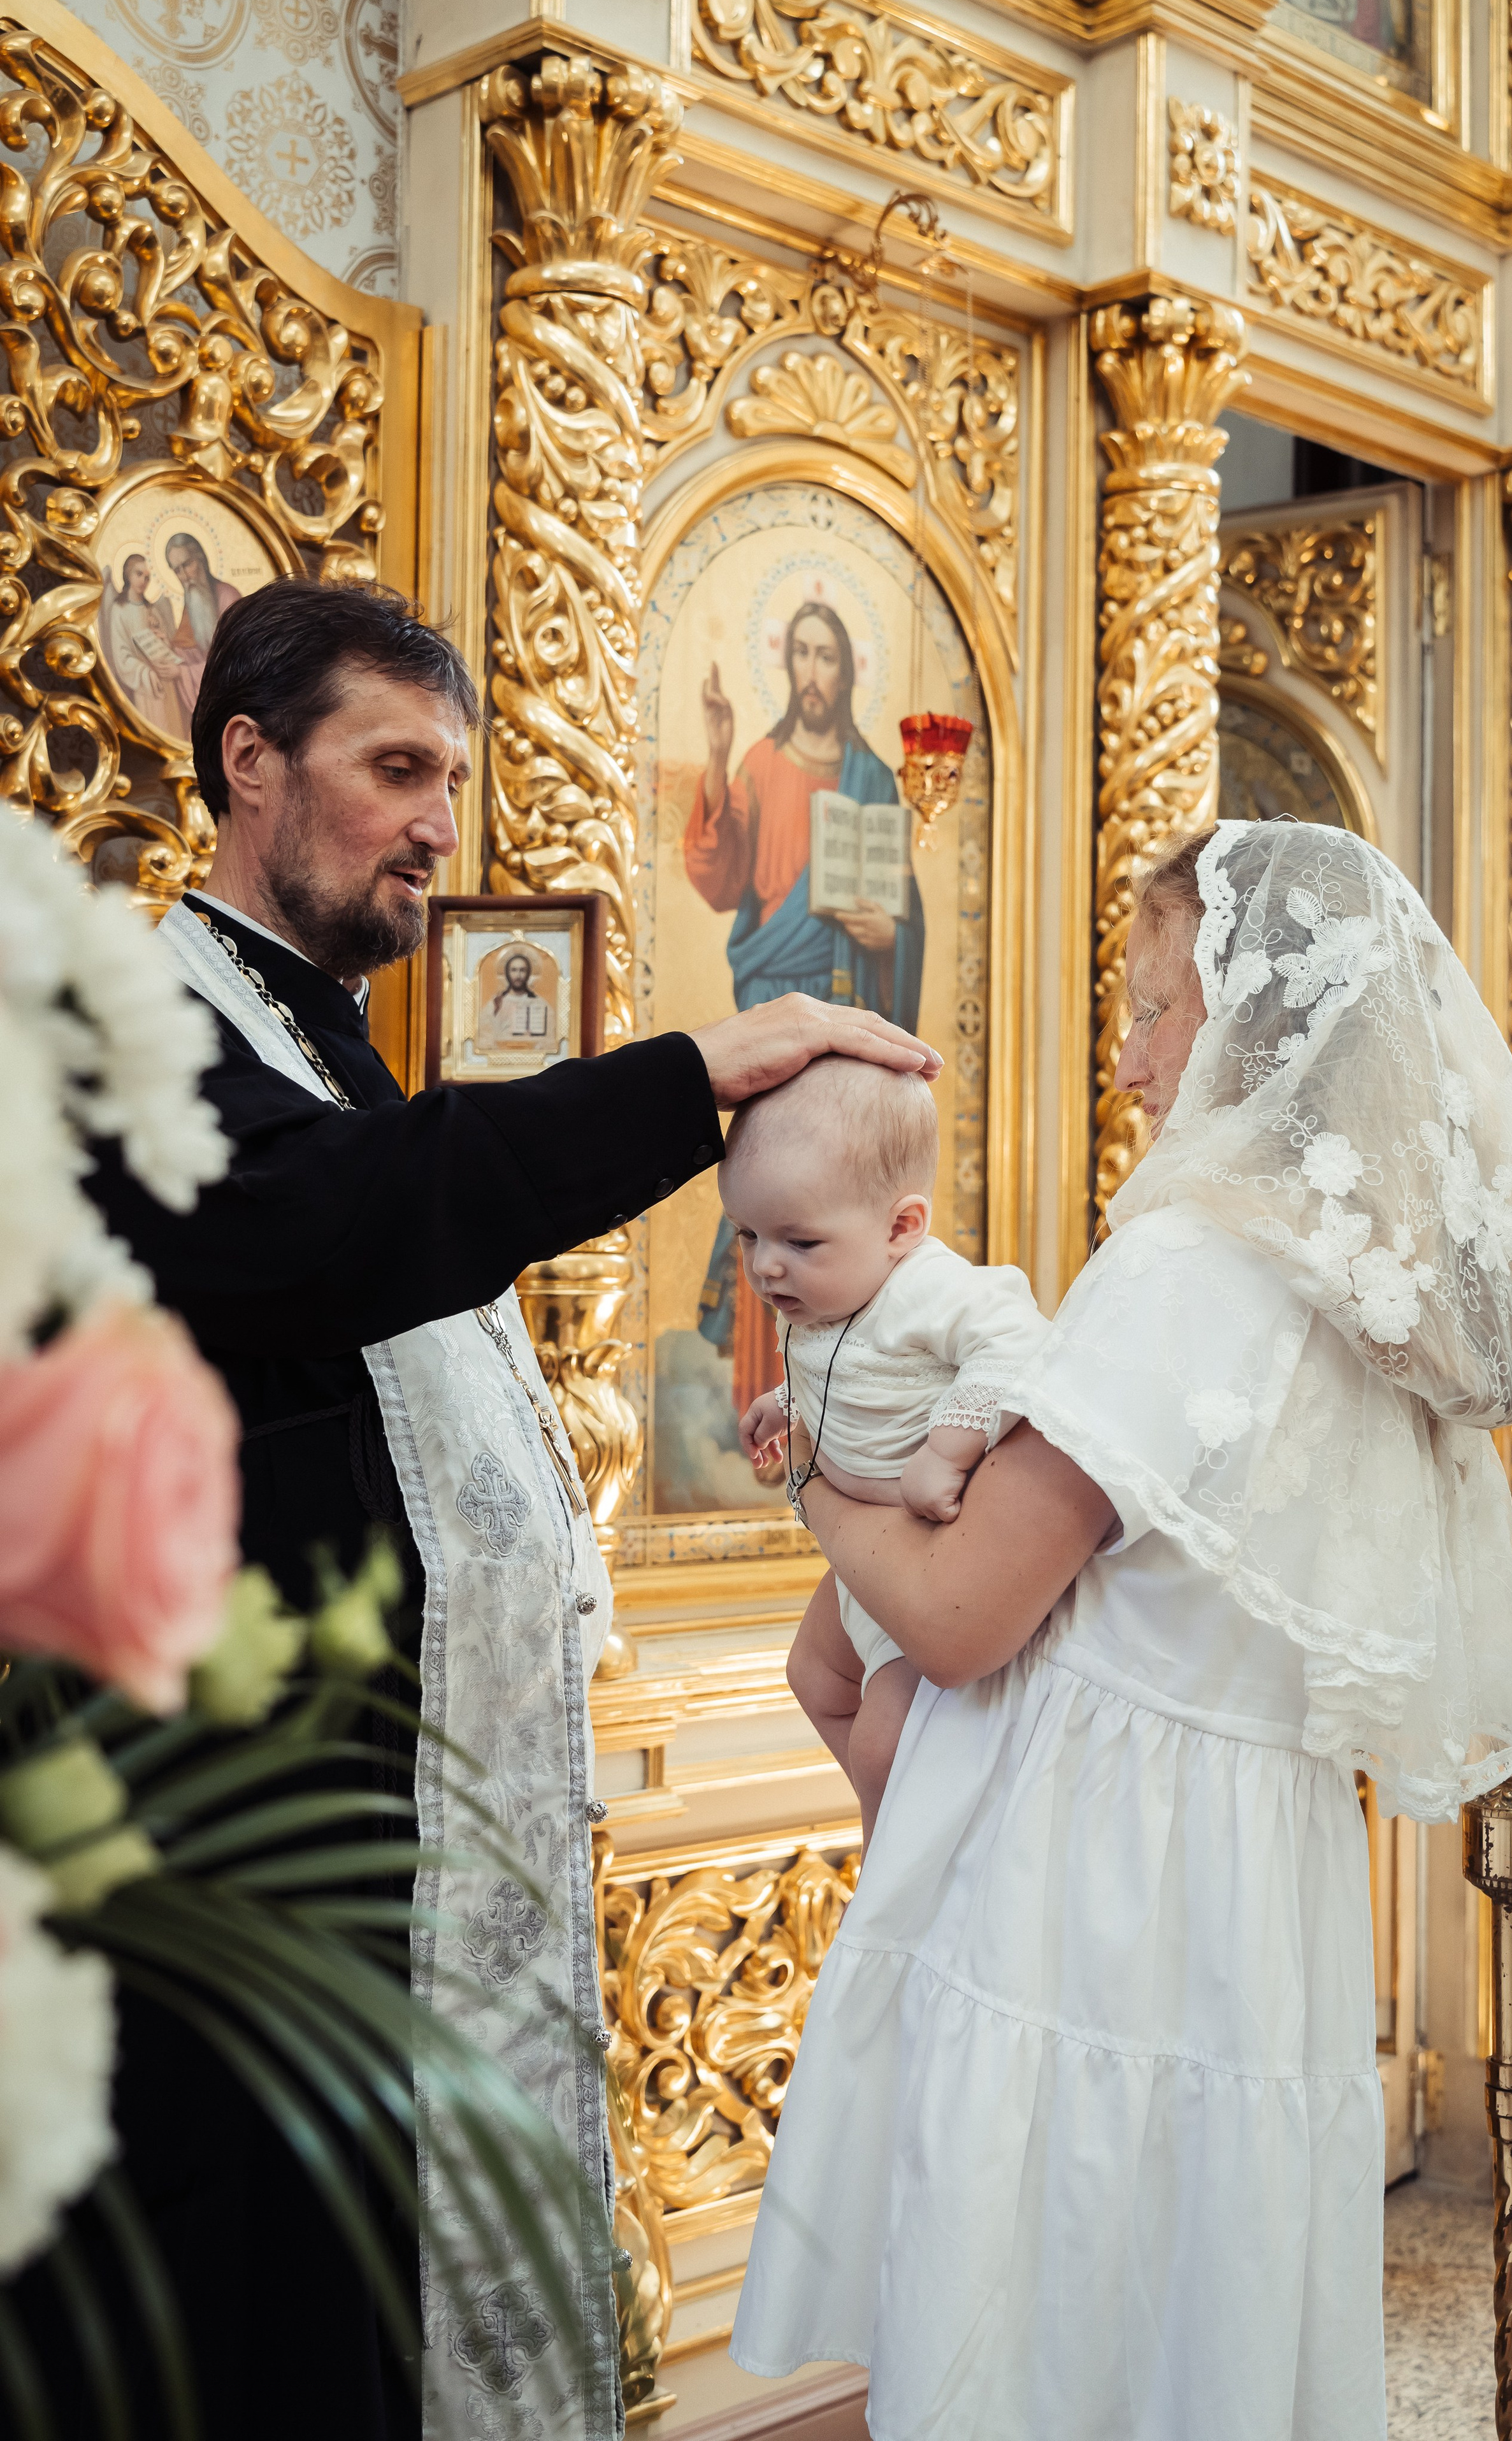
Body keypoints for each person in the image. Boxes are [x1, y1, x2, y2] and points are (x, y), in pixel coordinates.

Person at [81, 577, 941, 2441]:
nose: (439, 826)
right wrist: (695, 1076)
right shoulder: (133, 1026)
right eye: (396, 769)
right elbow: (329, 1219)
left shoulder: (316, 1034)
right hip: (237, 1867)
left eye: (451, 777)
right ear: (250, 760)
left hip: (376, 1851)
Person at [731, 818, 1512, 2439]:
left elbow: (956, 1613)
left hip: (1092, 1884)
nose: (1129, 1062)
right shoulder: (1363, 1301)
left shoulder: (1191, 1268)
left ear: (1248, 1022)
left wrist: (806, 1482)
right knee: (1180, 2315)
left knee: (1035, 2312)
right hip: (1237, 1879)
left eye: (1149, 1006)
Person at [723, 1060, 1046, 1843]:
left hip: (926, 1556)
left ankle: (898, 1867)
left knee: (883, 1742)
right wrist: (786, 1404)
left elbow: (1018, 1345)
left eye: (798, 1240)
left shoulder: (930, 1289)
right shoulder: (819, 1291)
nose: (767, 1265)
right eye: (749, 1236)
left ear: (902, 1227)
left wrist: (947, 1448)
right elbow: (849, 1377)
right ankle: (914, 1829)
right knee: (812, 1675)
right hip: (862, 1563)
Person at [686, 600, 926, 1416]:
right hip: (773, 1002)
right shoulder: (759, 763)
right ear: (787, 669)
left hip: (853, 1011)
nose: (816, 674)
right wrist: (717, 756)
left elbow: (906, 912)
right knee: (774, 1204)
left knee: (841, 1203)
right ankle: (765, 1397)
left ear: (847, 671)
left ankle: (855, 1403)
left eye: (831, 658)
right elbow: (719, 879)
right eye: (805, 657)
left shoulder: (873, 776)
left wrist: (885, 932)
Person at [99, 554, 191, 738]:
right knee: (158, 731)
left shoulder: (153, 609)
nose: (143, 581)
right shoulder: (120, 610)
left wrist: (164, 641)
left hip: (168, 681)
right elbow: (121, 656)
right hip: (146, 686)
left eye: (147, 577)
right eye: (139, 574)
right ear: (128, 575)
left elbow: (169, 647)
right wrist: (146, 673)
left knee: (175, 731)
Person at [166, 527, 242, 713]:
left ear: (201, 559)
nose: (184, 575)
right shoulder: (191, 605)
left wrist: (183, 673)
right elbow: (184, 651)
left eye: (187, 564)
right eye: (177, 570)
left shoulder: (228, 597)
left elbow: (236, 663)